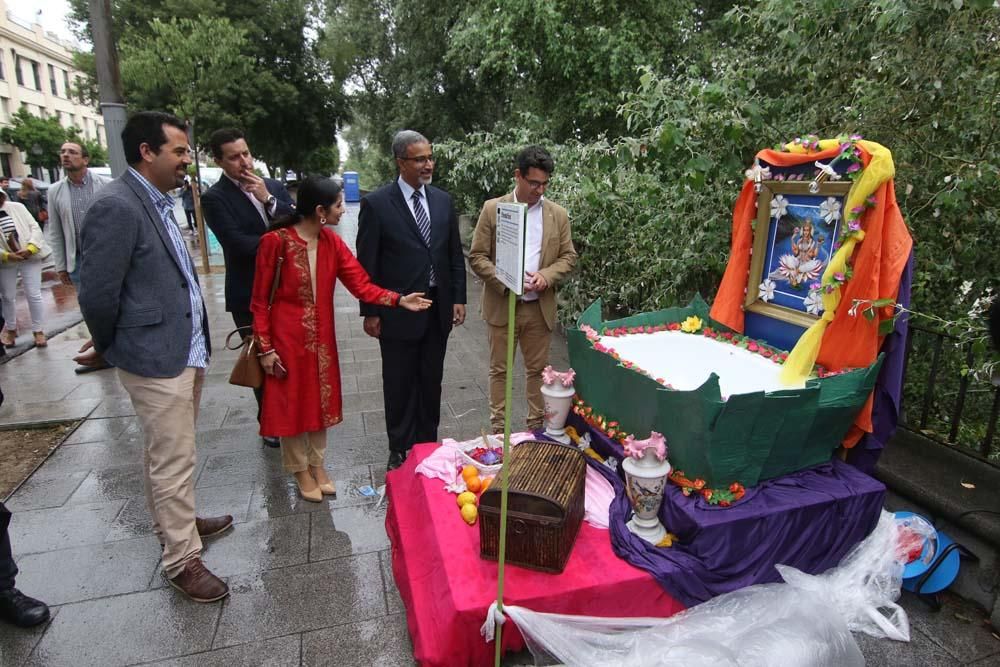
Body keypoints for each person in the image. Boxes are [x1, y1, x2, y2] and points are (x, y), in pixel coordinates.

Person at [74, 111, 233, 603]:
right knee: (172, 457)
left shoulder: (159, 200)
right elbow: (97, 292)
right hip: (152, 354)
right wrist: (113, 345)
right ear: (147, 151)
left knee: (168, 453)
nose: (187, 160)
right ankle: (182, 559)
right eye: (180, 151)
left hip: (183, 349)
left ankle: (177, 523)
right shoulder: (117, 206)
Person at [252, 177, 432, 499]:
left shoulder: (332, 244)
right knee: (291, 404)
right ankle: (300, 470)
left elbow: (361, 284)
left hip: (322, 339)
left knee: (320, 402)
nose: (342, 212)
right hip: (285, 340)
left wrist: (398, 299)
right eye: (337, 205)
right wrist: (265, 348)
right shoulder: (275, 242)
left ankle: (318, 465)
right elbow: (258, 301)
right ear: (320, 211)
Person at [357, 130, 467, 471]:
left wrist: (458, 298)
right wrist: (371, 311)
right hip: (398, 310)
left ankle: (427, 442)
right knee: (400, 381)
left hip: (437, 308)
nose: (428, 164)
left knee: (431, 379)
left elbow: (453, 255)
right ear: (400, 162)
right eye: (420, 159)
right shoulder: (377, 204)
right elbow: (367, 263)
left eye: (430, 157)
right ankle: (400, 446)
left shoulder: (442, 200)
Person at [469, 145, 577, 433]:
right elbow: (477, 256)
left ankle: (535, 429)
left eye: (544, 184)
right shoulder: (494, 209)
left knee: (537, 371)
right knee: (500, 370)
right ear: (518, 176)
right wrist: (506, 278)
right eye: (533, 183)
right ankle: (498, 430)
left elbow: (569, 257)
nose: (539, 190)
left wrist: (546, 276)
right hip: (503, 305)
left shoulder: (558, 214)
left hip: (538, 307)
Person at [201, 128, 294, 448]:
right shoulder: (214, 198)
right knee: (261, 357)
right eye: (234, 157)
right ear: (219, 161)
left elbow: (296, 225)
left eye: (246, 153)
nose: (244, 161)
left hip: (286, 289)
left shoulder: (273, 187)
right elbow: (238, 244)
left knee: (288, 356)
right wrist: (282, 244)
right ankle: (268, 421)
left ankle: (290, 414)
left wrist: (268, 200)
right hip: (248, 292)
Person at [46, 142, 112, 287]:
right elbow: (56, 232)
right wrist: (61, 266)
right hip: (77, 260)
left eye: (72, 152)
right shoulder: (54, 191)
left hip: (107, 256)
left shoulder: (107, 185)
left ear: (85, 160)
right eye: (63, 152)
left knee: (114, 303)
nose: (66, 155)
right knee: (87, 305)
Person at [0, 191, 51, 348]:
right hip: (6, 260)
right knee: (7, 296)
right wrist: (7, 256)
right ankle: (10, 328)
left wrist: (31, 247)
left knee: (33, 293)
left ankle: (38, 330)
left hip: (29, 256)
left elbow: (34, 227)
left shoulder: (17, 207)